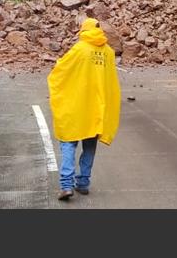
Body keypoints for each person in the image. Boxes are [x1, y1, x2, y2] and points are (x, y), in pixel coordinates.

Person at [47, 17, 121, 201]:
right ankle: (83, 182)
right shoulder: (108, 53)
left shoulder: (80, 49)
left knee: (68, 142)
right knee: (89, 145)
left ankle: (66, 185)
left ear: (84, 30)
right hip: (96, 108)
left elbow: (61, 70)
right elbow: (111, 82)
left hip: (77, 106)